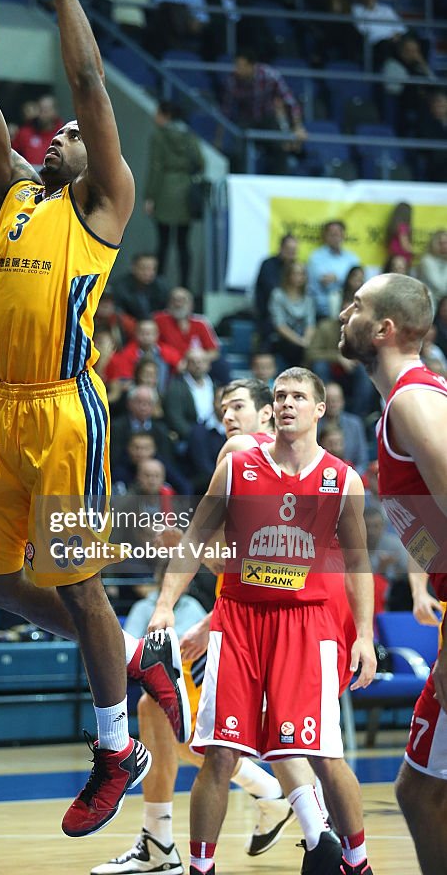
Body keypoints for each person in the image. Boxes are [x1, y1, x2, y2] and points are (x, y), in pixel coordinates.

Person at [0, 0, 190, 837]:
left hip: (63, 412)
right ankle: (129, 657)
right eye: (47, 132)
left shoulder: (102, 205)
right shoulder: (12, 194)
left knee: (77, 580)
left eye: (73, 135)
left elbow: (86, 76)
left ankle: (114, 744)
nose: (58, 133)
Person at [95, 376, 338, 875]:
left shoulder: (247, 454)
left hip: (279, 619)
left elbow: (267, 571)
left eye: (239, 406)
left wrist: (197, 593)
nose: (229, 417)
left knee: (240, 734)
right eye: (223, 409)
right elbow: (249, 568)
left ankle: (300, 816)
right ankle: (162, 839)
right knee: (157, 711)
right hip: (257, 611)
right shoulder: (252, 465)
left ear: (267, 415)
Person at [149, 367, 376, 875]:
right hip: (240, 621)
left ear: (320, 409)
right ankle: (200, 868)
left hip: (307, 624)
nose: (289, 403)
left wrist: (364, 635)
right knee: (220, 753)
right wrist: (166, 604)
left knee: (321, 752)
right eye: (281, 396)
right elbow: (194, 541)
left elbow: (358, 563)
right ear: (272, 410)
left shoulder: (343, 478)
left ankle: (356, 863)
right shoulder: (237, 467)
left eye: (299, 396)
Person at [339, 273, 447, 875]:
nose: (343, 313)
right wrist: (420, 575)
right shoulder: (405, 402)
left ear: (383, 329)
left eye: (356, 306)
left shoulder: (413, 399)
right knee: (419, 791)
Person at [144, 102, 205, 287]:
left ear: (166, 115)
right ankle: (185, 286)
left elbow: (156, 168)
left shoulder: (158, 136)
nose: (156, 118)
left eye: (158, 113)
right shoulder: (189, 135)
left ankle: (159, 285)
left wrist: (149, 196)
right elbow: (201, 163)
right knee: (183, 244)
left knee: (162, 243)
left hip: (164, 191)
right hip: (185, 192)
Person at [307, 220, 361, 320]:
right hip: (322, 310)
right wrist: (346, 278)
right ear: (325, 236)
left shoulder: (352, 258)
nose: (335, 237)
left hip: (349, 308)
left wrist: (336, 278)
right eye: (331, 234)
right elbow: (325, 281)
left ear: (343, 235)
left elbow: (358, 281)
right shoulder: (316, 257)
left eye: (338, 233)